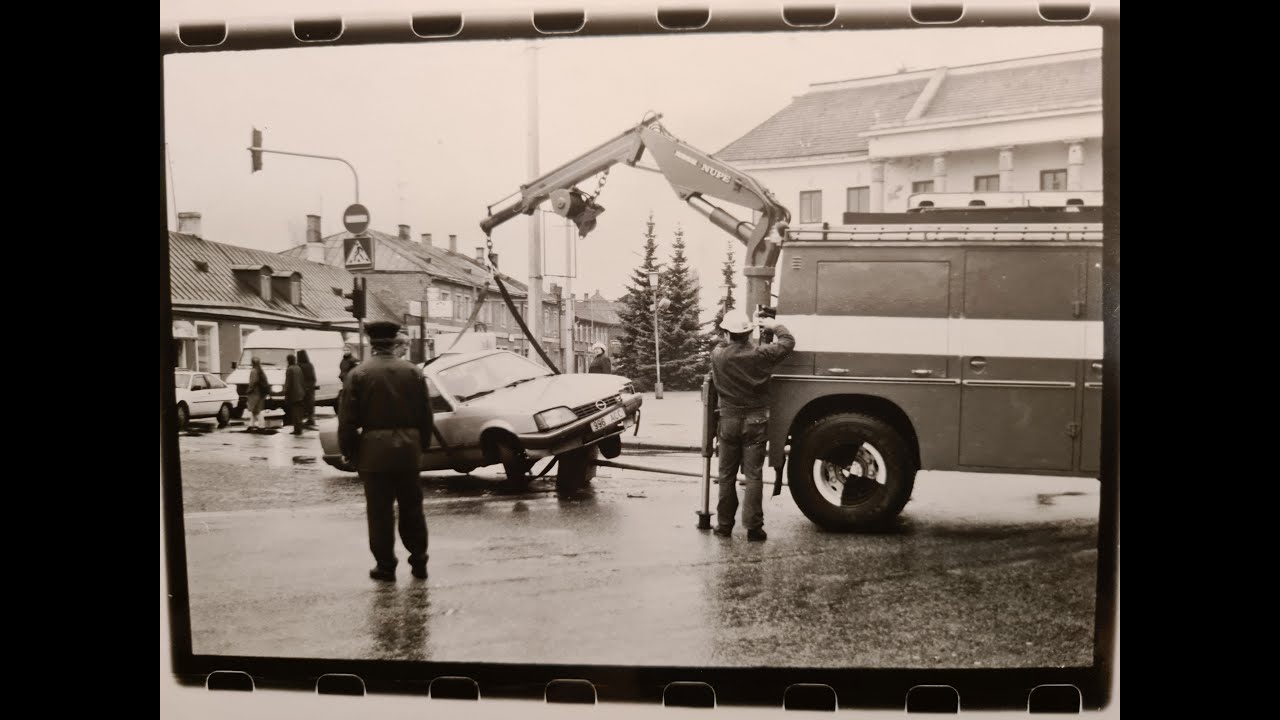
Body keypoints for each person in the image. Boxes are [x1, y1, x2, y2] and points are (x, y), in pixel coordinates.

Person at [339, 320, 434, 582]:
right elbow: (426, 415)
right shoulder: (413, 372)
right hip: (408, 451)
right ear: (394, 342)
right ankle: (419, 562)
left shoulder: (358, 375)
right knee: (412, 509)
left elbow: (347, 420)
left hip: (374, 453)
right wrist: (421, 445)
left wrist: (349, 451)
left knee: (379, 512)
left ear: (371, 343)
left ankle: (385, 566)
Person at [709, 309, 795, 542]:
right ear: (748, 333)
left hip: (728, 421)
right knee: (754, 476)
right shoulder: (761, 354)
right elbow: (788, 342)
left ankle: (724, 526)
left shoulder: (718, 355)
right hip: (756, 421)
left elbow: (721, 342)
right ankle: (754, 528)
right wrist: (772, 325)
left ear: (727, 334)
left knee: (726, 475)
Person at [284, 353, 306, 436]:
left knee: (295, 412)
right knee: (299, 412)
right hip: (300, 393)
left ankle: (297, 429)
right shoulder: (298, 368)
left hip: (294, 394)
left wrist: (285, 392)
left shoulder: (290, 369)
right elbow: (302, 380)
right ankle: (299, 428)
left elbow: (288, 383)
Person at [245, 356, 269, 432]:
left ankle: (261, 425)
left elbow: (253, 382)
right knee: (255, 409)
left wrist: (249, 390)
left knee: (256, 409)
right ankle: (251, 424)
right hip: (260, 392)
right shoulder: (260, 371)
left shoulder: (253, 371)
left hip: (254, 392)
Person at [298, 349, 318, 429]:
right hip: (310, 388)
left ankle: (301, 420)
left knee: (302, 404)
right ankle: (311, 419)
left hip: (302, 387)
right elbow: (313, 377)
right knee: (310, 404)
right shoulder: (310, 365)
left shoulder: (299, 365)